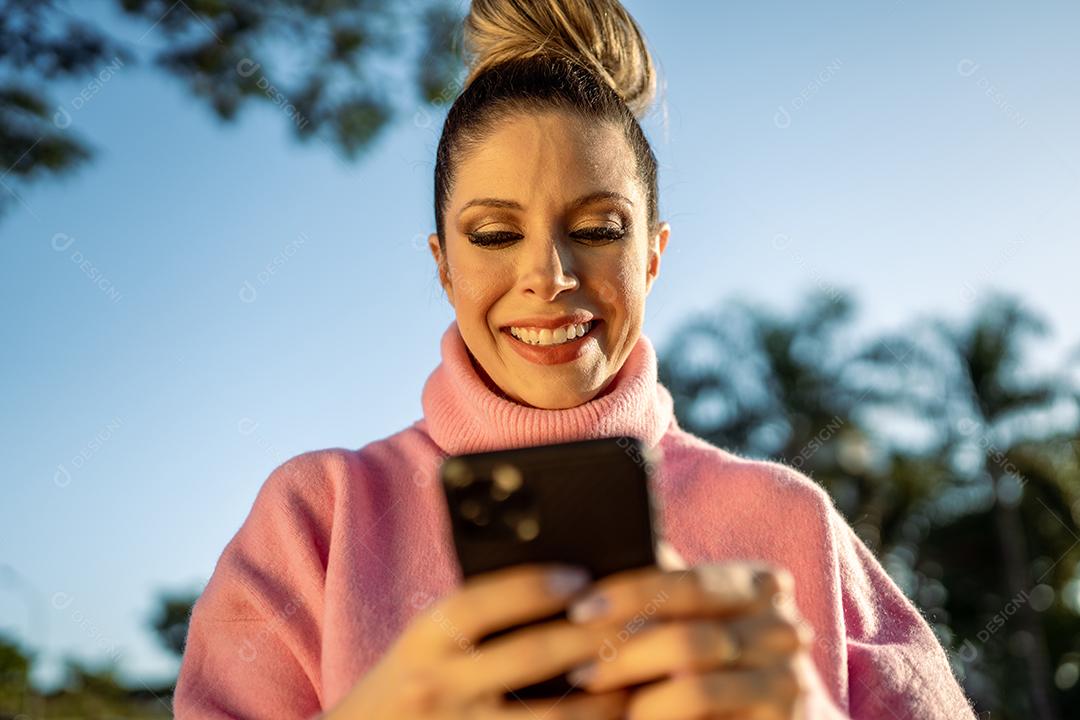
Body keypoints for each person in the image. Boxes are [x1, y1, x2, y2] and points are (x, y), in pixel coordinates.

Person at [172, 1, 979, 718]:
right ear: (443, 263)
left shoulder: (789, 518)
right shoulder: (317, 519)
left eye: (597, 229)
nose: (548, 277)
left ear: (653, 256)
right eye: (494, 235)